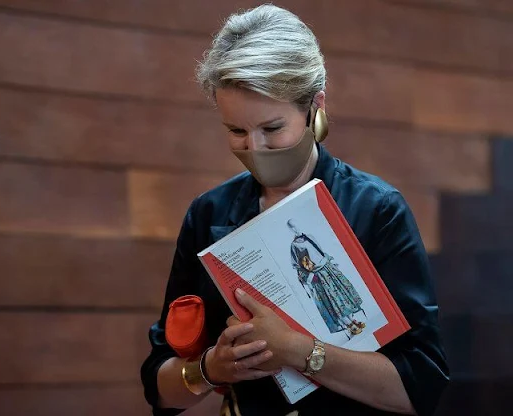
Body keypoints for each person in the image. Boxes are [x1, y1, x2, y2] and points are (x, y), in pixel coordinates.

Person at [140, 4, 449, 416]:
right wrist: (211, 369)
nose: (255, 148)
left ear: (314, 107)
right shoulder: (208, 214)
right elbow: (158, 387)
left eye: (272, 128)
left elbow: (422, 385)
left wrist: (297, 349)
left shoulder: (376, 209)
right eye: (236, 131)